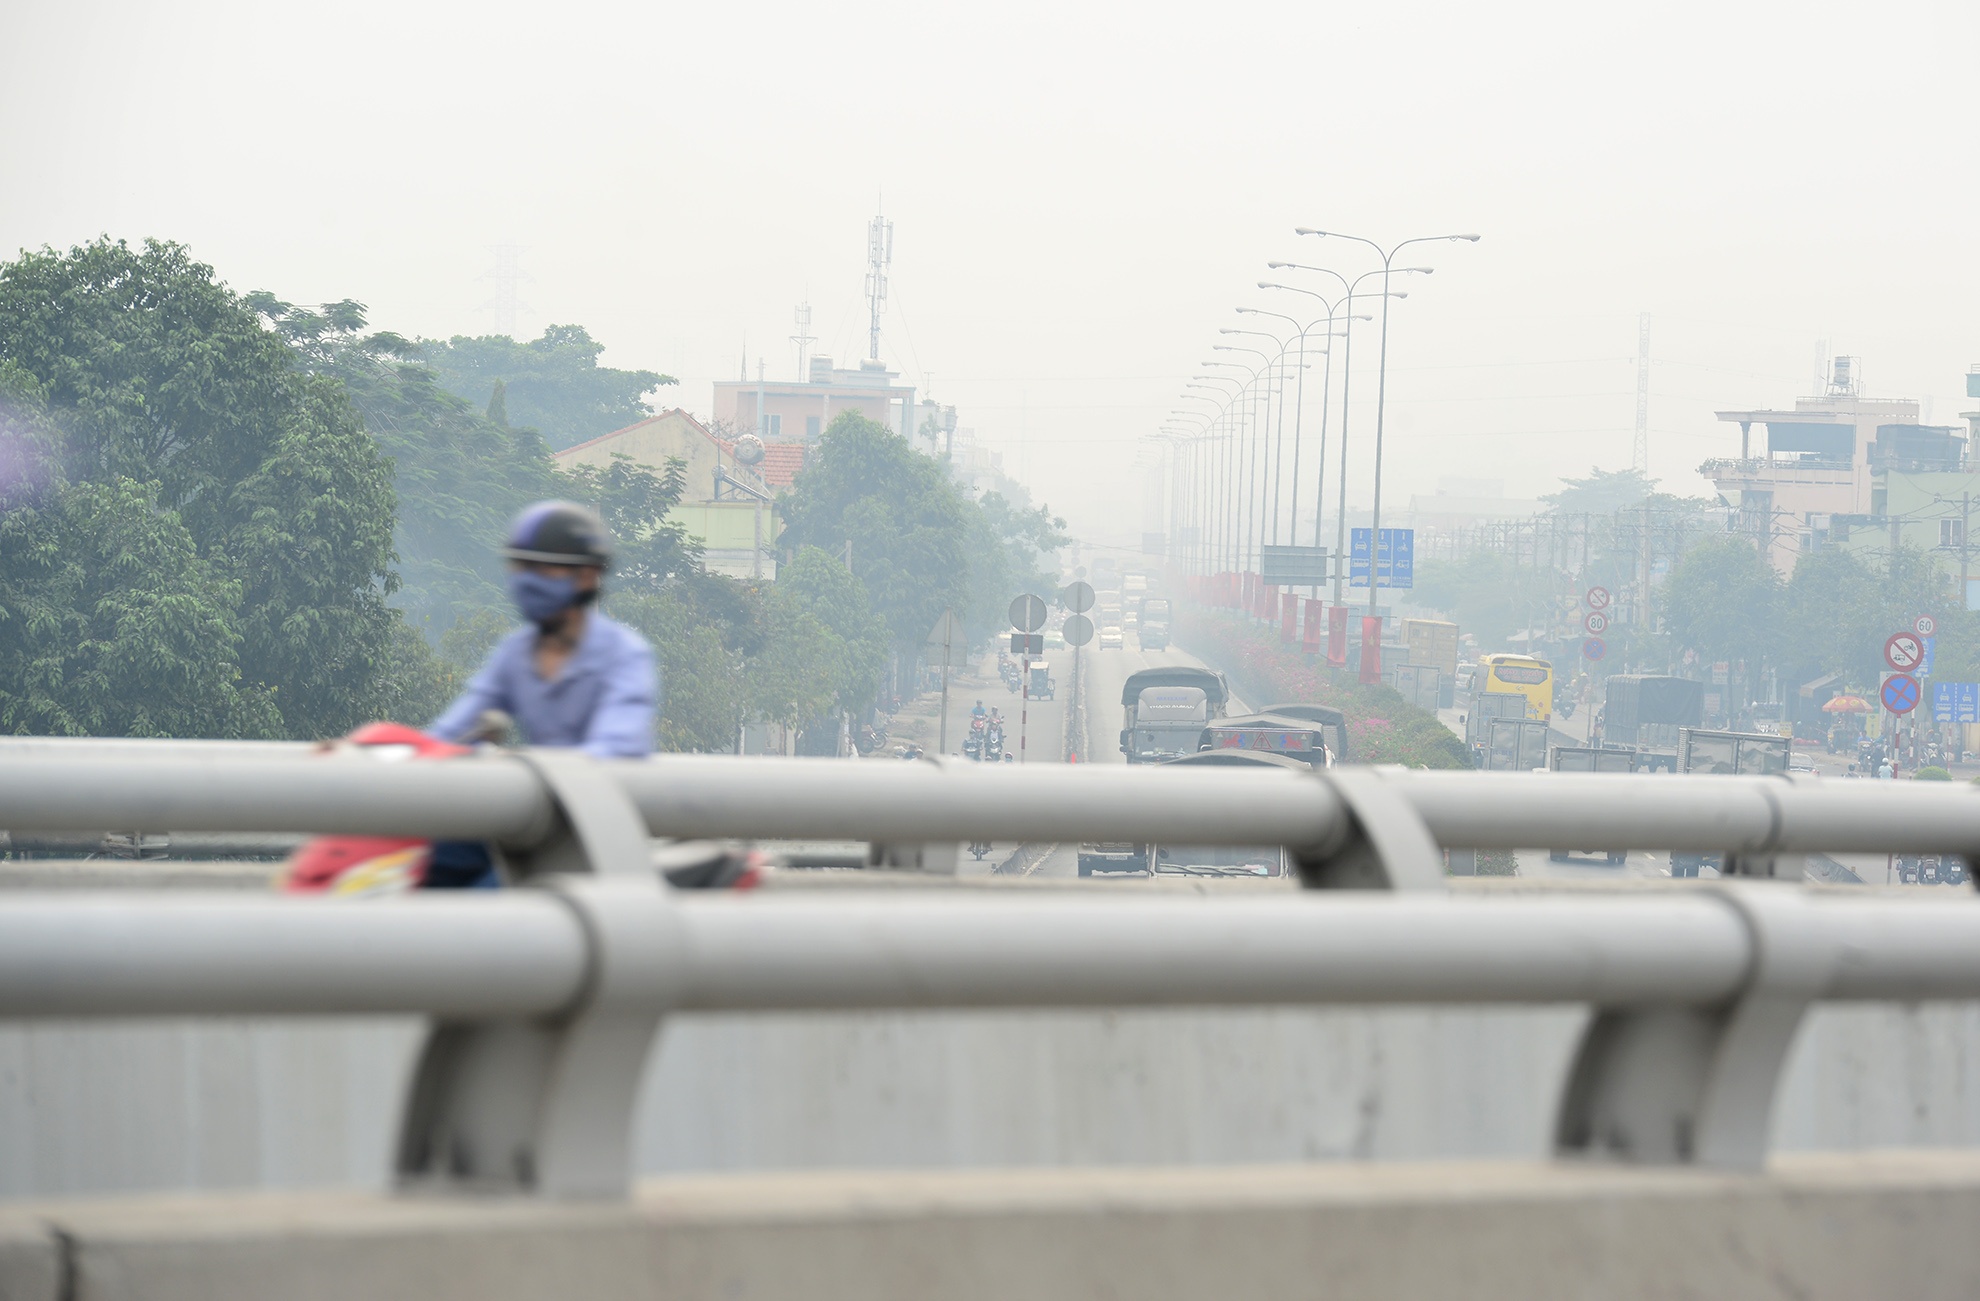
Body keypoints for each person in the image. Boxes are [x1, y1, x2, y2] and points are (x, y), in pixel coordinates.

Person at [431, 501, 659, 760]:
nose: (526, 580)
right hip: (544, 794)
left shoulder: (624, 654)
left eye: (541, 568)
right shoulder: (514, 653)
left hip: (608, 798)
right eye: (520, 567)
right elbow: (450, 733)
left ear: (585, 575)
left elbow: (619, 746)